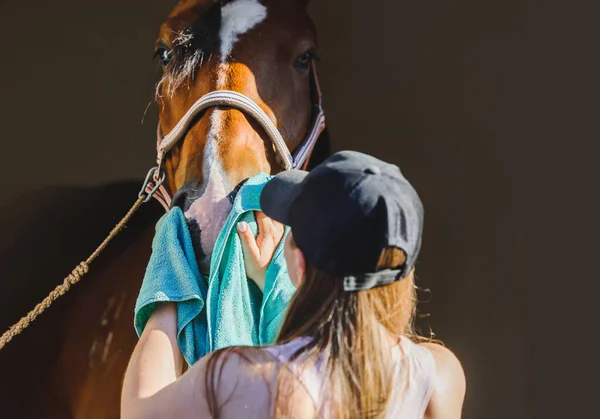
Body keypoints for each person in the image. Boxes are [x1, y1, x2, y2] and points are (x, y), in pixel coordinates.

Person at [121, 150, 466, 418]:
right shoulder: (440, 375)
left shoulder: (235, 376)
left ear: (298, 263)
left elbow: (139, 411)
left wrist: (169, 275)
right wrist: (273, 291)